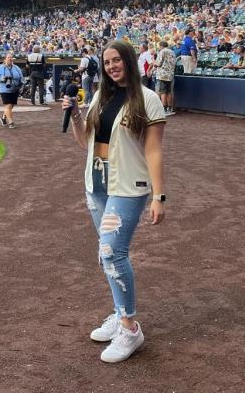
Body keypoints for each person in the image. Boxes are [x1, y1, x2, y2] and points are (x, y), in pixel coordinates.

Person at [62, 40, 166, 363]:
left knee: (111, 252)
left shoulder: (147, 100)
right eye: (106, 62)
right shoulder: (100, 97)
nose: (111, 66)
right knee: (106, 254)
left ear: (129, 61)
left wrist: (159, 195)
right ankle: (120, 312)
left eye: (117, 60)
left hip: (128, 186)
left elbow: (154, 150)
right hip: (97, 184)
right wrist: (77, 116)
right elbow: (87, 143)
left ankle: (130, 327)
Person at [0, 53, 23, 129]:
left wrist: (21, 83)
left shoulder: (16, 67)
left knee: (11, 106)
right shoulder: (0, 68)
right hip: (5, 89)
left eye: (11, 57)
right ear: (5, 59)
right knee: (8, 106)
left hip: (15, 89)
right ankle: (11, 122)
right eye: (8, 57)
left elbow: (21, 76)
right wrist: (1, 79)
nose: (10, 59)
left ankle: (3, 118)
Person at [154, 40, 176, 115]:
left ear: (161, 46)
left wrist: (154, 63)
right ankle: (170, 109)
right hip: (170, 75)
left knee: (163, 92)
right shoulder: (172, 52)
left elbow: (158, 63)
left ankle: (164, 109)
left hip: (163, 75)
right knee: (169, 92)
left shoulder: (162, 51)